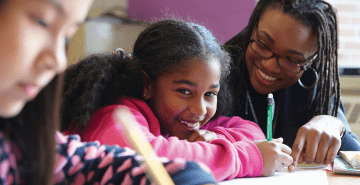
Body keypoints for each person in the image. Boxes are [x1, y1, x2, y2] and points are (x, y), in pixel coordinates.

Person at [0, 0, 218, 184]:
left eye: (67, 37)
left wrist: (187, 175)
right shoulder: (115, 113)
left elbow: (78, 163)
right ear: (147, 83)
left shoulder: (18, 142)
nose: (58, 61)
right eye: (42, 21)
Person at [61, 19, 293, 181]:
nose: (200, 109)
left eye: (210, 94)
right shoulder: (115, 113)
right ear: (147, 85)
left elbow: (252, 132)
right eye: (184, 91)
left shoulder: (181, 119)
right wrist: (246, 158)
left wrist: (214, 138)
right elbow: (149, 157)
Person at [224, 0, 360, 172]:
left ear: (312, 60)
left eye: (292, 59)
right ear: (253, 28)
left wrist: (334, 124)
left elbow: (354, 160)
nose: (270, 65)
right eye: (263, 44)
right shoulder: (218, 72)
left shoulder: (314, 80)